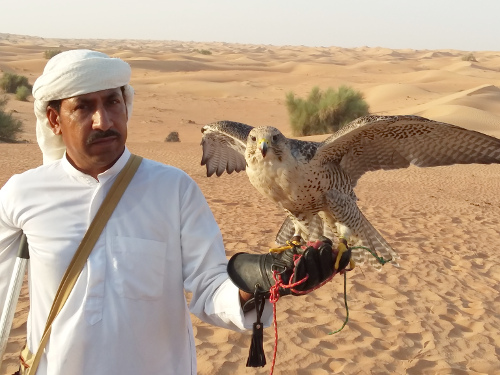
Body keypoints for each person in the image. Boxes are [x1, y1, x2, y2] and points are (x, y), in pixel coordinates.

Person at [0, 50, 344, 375]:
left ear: (126, 105)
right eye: (83, 108)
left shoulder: (172, 189)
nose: (103, 120)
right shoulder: (23, 193)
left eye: (112, 102)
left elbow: (209, 288)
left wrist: (259, 281)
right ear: (53, 119)